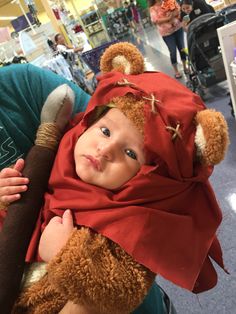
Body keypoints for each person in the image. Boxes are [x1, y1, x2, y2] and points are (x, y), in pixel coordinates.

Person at [0, 42, 229, 313]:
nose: (106, 150)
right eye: (105, 132)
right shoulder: (66, 157)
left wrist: (63, 255)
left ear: (148, 177)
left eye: (131, 153)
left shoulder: (138, 219)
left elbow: (117, 290)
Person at [149, 0, 188, 78]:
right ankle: (176, 71)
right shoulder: (153, 8)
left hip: (178, 28)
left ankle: (185, 67)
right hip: (166, 33)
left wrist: (174, 14)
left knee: (182, 48)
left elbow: (178, 9)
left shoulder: (170, 1)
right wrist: (169, 18)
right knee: (172, 51)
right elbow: (155, 20)